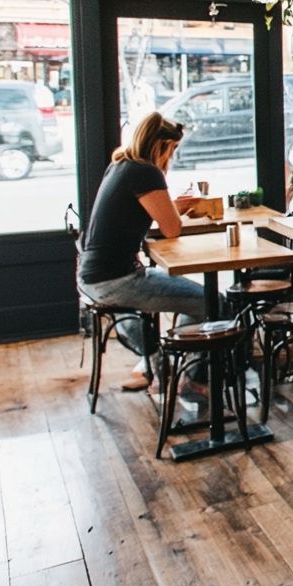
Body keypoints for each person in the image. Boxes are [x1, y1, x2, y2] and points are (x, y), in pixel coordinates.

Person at [78, 112, 205, 390]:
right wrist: (175, 212)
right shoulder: (146, 172)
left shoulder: (121, 165)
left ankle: (169, 362)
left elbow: (139, 211)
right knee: (211, 302)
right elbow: (172, 230)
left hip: (93, 276)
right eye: (171, 150)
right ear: (160, 145)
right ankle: (188, 376)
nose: (171, 157)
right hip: (118, 281)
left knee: (197, 298)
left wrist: (173, 207)